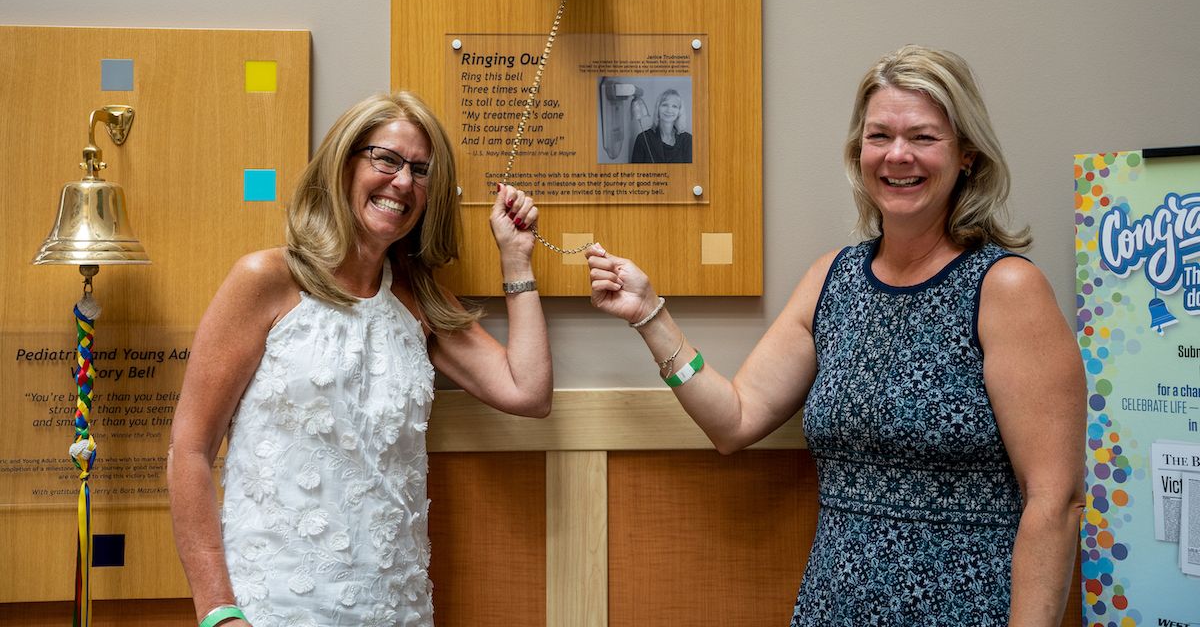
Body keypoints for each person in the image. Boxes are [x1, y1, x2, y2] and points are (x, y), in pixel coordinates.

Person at [586, 45, 1085, 625]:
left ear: (967, 155)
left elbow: (1056, 502)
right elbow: (735, 420)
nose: (898, 155)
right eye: (880, 136)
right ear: (858, 151)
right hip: (834, 606)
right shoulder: (832, 280)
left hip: (967, 609)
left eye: (923, 137)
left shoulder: (1007, 289)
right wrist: (649, 314)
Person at [167, 91, 552, 627]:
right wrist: (217, 613)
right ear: (344, 162)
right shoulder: (265, 280)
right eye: (386, 159)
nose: (403, 182)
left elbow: (528, 392)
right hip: (277, 605)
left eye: (421, 170)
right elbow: (189, 450)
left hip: (396, 606)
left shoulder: (417, 304)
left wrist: (516, 258)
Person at [630, 88, 692, 163]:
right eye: (665, 105)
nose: (669, 110)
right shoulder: (643, 139)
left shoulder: (687, 140)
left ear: (679, 112)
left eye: (674, 106)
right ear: (658, 108)